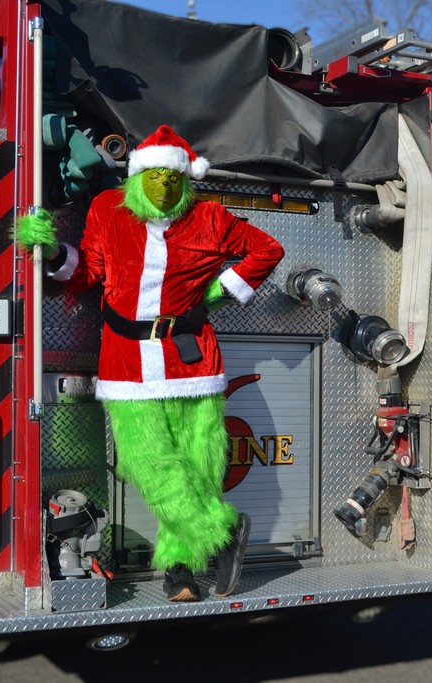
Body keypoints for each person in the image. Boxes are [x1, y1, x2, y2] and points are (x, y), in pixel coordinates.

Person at [15, 125, 284, 601]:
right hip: (126, 363)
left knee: (197, 468)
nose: (164, 185)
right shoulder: (107, 210)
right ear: (137, 177)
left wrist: (222, 291)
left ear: (186, 179)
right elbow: (88, 274)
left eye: (173, 177)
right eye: (155, 175)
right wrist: (52, 250)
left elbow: (268, 250)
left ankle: (180, 570)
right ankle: (224, 530)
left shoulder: (208, 216)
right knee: (147, 463)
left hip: (193, 361)